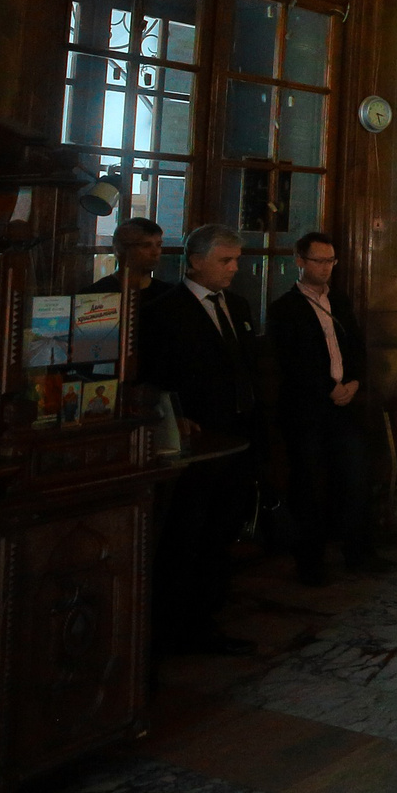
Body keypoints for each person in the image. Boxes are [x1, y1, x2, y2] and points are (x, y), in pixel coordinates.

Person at [138, 224, 267, 657]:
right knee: (187, 532)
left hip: (238, 436)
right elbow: (152, 376)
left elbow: (247, 367)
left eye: (236, 260)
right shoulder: (164, 310)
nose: (234, 268)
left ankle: (208, 616)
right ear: (195, 261)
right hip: (196, 441)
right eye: (225, 260)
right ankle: (177, 624)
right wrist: (175, 416)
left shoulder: (238, 304)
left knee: (222, 529)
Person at [267, 231, 387, 585]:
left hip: (344, 405)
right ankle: (311, 563)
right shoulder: (284, 309)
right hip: (307, 409)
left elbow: (356, 347)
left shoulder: (341, 301)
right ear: (300, 261)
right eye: (319, 260)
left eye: (331, 261)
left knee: (355, 477)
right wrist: (326, 389)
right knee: (308, 485)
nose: (326, 268)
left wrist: (354, 383)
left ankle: (359, 553)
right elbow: (291, 362)